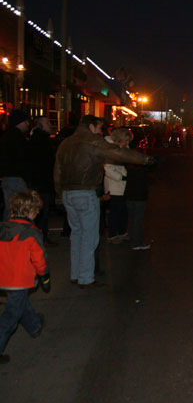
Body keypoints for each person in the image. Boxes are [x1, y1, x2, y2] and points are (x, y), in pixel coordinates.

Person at [54, 115, 154, 288]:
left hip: (68, 193)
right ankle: (86, 277)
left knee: (76, 234)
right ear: (91, 127)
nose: (101, 132)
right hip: (85, 192)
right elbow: (118, 152)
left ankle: (76, 273)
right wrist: (146, 160)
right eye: (99, 128)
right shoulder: (93, 142)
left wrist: (59, 194)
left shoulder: (66, 143)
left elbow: (57, 170)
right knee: (89, 237)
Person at [0, 190, 49, 364]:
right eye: (36, 212)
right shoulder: (31, 233)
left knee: (20, 302)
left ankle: (34, 325)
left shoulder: (3, 229)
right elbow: (39, 258)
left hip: (3, 277)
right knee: (11, 315)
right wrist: (44, 275)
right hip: (19, 280)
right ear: (30, 212)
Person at [28, 117, 58, 246]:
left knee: (40, 211)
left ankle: (40, 237)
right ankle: (41, 238)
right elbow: (45, 163)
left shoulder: (36, 139)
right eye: (47, 122)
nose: (50, 125)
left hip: (39, 181)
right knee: (41, 211)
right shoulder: (41, 141)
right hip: (42, 181)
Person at [0, 110, 31, 221]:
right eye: (26, 121)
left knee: (11, 208)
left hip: (7, 177)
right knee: (21, 208)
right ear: (20, 122)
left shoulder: (7, 136)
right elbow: (22, 158)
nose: (28, 124)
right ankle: (17, 233)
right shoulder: (17, 138)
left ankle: (8, 233)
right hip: (16, 177)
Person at [103, 128, 132, 243]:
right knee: (116, 211)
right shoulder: (110, 150)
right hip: (114, 186)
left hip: (121, 184)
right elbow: (108, 168)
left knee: (122, 211)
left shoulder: (122, 149)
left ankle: (121, 232)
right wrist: (121, 176)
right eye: (126, 141)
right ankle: (113, 234)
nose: (127, 143)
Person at [124, 134, 153, 250]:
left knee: (132, 218)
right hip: (139, 194)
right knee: (138, 219)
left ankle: (134, 238)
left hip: (129, 192)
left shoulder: (127, 162)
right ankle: (137, 242)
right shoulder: (141, 166)